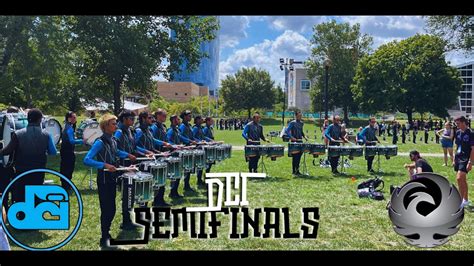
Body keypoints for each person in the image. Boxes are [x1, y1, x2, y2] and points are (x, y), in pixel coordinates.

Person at [83, 113, 136, 249]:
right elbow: (87, 160)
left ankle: (106, 233)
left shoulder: (112, 140)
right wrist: (104, 165)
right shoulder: (99, 142)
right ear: (106, 126)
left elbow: (116, 151)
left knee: (111, 208)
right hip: (104, 179)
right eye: (113, 123)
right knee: (107, 209)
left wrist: (127, 155)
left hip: (112, 179)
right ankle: (104, 236)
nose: (116, 125)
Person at [0, 108, 57, 203]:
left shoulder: (18, 134)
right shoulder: (47, 135)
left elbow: (7, 151)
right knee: (35, 196)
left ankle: (21, 215)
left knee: (22, 197)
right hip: (38, 171)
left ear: (27, 119)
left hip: (22, 172)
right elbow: (53, 152)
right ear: (40, 119)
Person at [114, 110, 155, 230]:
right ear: (124, 119)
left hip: (132, 165)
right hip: (124, 165)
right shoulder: (119, 132)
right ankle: (125, 221)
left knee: (133, 192)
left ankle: (133, 217)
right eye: (131, 118)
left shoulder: (129, 131)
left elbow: (133, 146)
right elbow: (114, 148)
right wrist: (127, 155)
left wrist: (144, 152)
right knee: (128, 194)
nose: (133, 121)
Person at [150, 109, 172, 206]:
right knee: (157, 178)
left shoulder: (162, 126)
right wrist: (160, 148)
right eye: (163, 115)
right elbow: (152, 140)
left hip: (164, 153)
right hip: (157, 154)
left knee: (162, 178)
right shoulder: (154, 127)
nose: (165, 116)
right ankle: (156, 200)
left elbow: (166, 139)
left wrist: (171, 145)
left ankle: (161, 199)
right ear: (158, 115)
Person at [453, 116, 474, 211]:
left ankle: (459, 202)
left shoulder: (471, 133)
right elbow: (457, 146)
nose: (457, 125)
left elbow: (473, 149)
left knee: (459, 178)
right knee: (462, 180)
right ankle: (466, 200)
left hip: (466, 158)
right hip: (458, 157)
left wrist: (471, 162)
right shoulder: (457, 132)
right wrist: (454, 158)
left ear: (464, 122)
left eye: (458, 123)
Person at [60, 111, 83, 191]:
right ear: (69, 118)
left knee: (64, 167)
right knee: (68, 168)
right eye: (73, 117)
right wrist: (82, 141)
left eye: (75, 117)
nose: (75, 119)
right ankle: (66, 185)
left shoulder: (67, 126)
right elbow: (72, 141)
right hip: (68, 151)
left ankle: (65, 184)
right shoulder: (69, 128)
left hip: (65, 150)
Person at [286, 111, 308, 176]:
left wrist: (304, 136)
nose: (300, 117)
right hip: (294, 142)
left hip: (300, 141)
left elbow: (301, 131)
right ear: (296, 116)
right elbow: (287, 131)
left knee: (299, 157)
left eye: (301, 116)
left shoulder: (301, 123)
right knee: (295, 157)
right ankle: (293, 171)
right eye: (299, 116)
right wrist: (292, 137)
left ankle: (297, 170)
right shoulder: (292, 123)